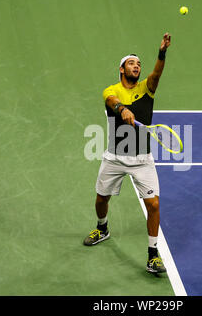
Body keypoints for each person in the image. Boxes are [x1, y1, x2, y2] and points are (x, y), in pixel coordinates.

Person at [83, 33, 171, 274]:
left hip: (142, 159)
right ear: (122, 69)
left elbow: (157, 74)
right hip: (115, 157)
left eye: (139, 64)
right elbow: (110, 100)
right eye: (132, 63)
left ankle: (153, 255)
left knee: (153, 205)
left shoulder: (147, 89)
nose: (137, 66)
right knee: (102, 198)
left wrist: (161, 53)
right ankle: (102, 228)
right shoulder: (111, 90)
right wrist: (122, 109)